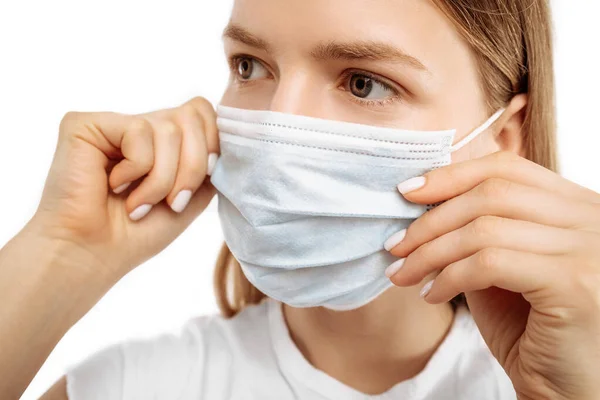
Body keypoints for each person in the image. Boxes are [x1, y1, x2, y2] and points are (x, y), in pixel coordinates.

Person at [1, 0, 599, 399]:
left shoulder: (568, 378)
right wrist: (65, 255)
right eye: (251, 66)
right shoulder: (135, 386)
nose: (279, 129)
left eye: (363, 82)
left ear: (501, 138)